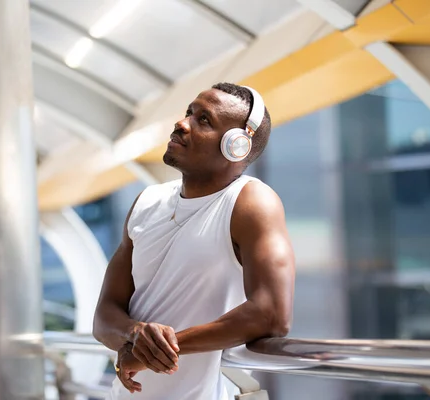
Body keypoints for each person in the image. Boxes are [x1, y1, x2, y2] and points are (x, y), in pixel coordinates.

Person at [93, 82, 295, 400]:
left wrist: (157, 348)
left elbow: (271, 314)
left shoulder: (251, 202)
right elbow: (104, 316)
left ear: (236, 146)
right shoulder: (146, 201)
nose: (181, 123)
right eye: (189, 112)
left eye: (204, 120)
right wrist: (135, 333)